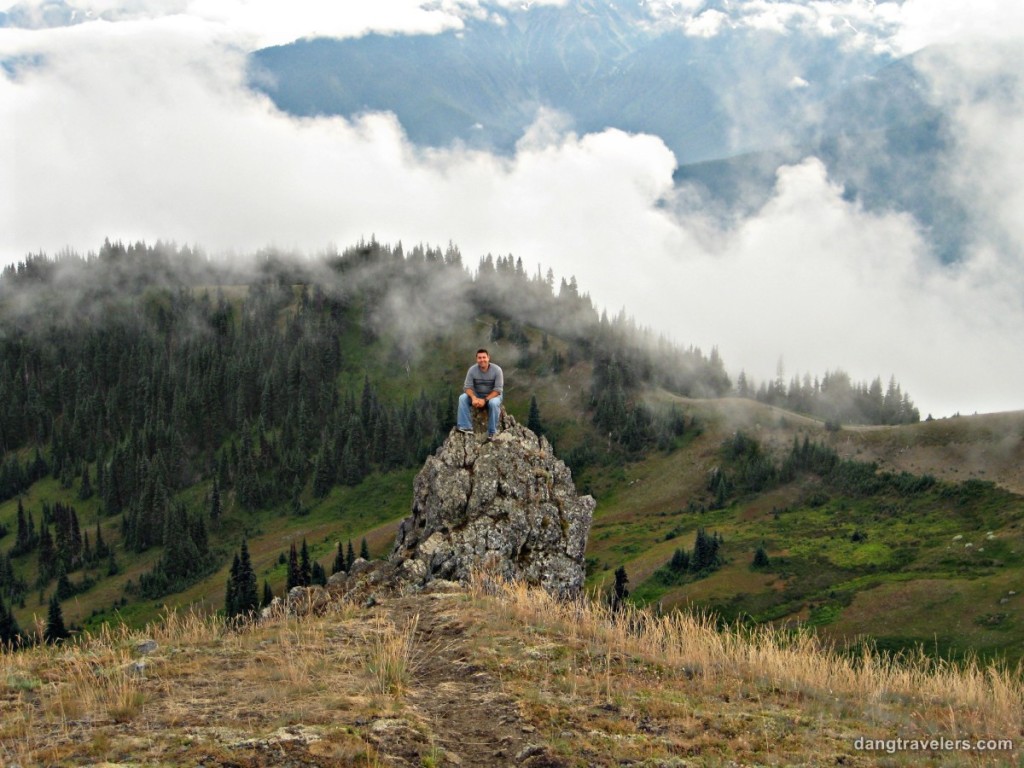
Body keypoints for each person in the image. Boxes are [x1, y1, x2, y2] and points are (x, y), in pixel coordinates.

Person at [457, 348, 504, 438]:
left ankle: (492, 432)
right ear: (476, 359)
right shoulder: (472, 370)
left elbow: (498, 390)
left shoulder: (497, 370)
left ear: (488, 358)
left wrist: (485, 400)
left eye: (484, 357)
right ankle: (465, 426)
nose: (482, 360)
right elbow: (467, 387)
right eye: (479, 358)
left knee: (493, 403)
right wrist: (474, 398)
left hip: (493, 396)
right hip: (477, 395)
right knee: (462, 398)